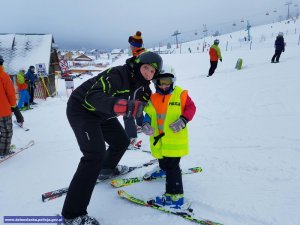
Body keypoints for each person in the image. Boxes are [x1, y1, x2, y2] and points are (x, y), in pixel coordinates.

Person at [61, 51, 163, 225]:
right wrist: (124, 106)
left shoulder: (144, 88)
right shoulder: (118, 75)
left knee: (121, 141)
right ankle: (72, 214)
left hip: (103, 115)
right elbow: (92, 97)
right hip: (82, 109)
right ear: (138, 65)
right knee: (94, 155)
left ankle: (105, 169)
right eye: (146, 68)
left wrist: (145, 121)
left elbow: (146, 106)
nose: (148, 73)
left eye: (152, 72)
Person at [142, 64, 196, 210]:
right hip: (158, 139)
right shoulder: (153, 98)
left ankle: (175, 197)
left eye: (167, 81)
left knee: (173, 166)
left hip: (175, 140)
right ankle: (162, 169)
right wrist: (146, 123)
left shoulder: (181, 94)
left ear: (173, 80)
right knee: (163, 160)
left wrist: (183, 119)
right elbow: (149, 113)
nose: (164, 85)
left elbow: (191, 108)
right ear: (156, 83)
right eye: (160, 82)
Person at [125, 31, 148, 149]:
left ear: (134, 46)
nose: (130, 47)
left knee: (128, 110)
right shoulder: (141, 55)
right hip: (140, 87)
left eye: (131, 45)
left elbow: (138, 72)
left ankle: (131, 138)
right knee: (138, 105)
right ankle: (141, 125)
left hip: (136, 86)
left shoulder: (139, 57)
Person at [0, 55, 24, 157]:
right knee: (6, 131)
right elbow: (10, 93)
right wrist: (14, 106)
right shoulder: (4, 76)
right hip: (3, 110)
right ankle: (3, 151)